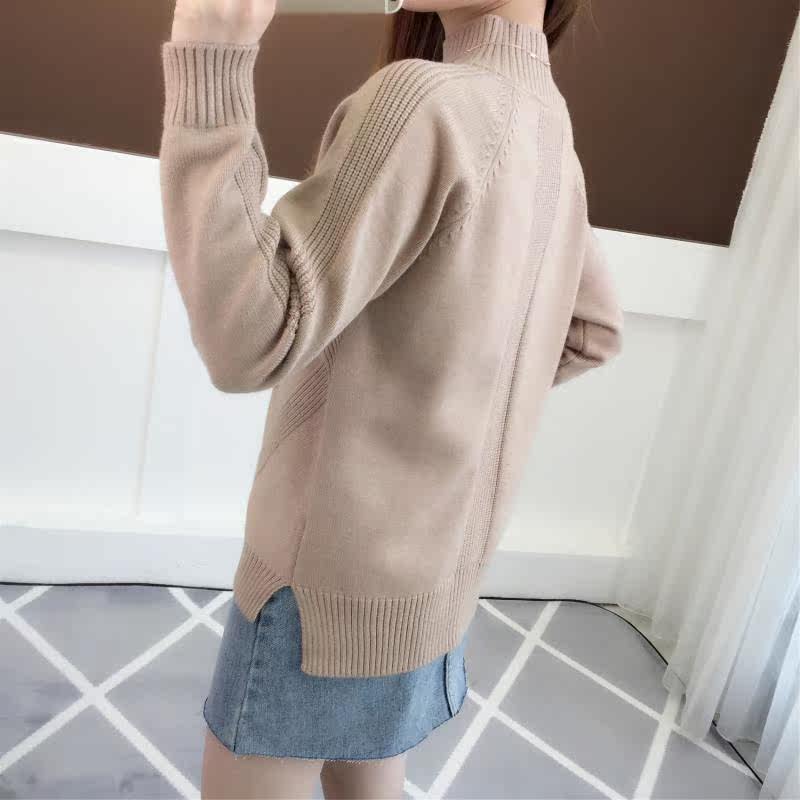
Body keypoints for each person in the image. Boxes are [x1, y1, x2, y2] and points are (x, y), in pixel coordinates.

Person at [159, 0, 624, 797]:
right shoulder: (552, 130)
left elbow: (246, 336)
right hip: (434, 596)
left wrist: (211, 54)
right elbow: (592, 331)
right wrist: (447, 390)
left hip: (318, 592)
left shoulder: (425, 102)